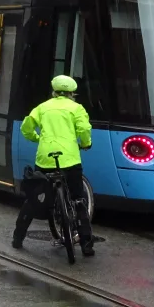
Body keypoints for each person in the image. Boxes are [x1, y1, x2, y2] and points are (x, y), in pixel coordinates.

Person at [13, 75, 94, 256]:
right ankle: (87, 245)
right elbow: (84, 130)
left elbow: (26, 127)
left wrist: (37, 138)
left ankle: (18, 237)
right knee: (78, 200)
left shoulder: (43, 107)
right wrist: (86, 143)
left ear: (54, 92)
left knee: (34, 198)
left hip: (45, 159)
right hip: (70, 159)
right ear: (72, 94)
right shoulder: (76, 108)